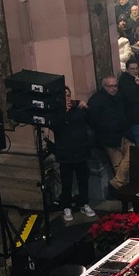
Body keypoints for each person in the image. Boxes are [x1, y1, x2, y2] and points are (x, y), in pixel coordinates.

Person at [53, 86, 97, 222]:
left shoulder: (77, 110)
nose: (66, 97)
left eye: (68, 95)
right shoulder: (56, 113)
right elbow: (55, 128)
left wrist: (84, 106)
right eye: (64, 95)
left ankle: (84, 203)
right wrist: (63, 112)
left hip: (80, 151)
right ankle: (67, 206)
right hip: (65, 154)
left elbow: (91, 120)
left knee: (83, 180)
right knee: (67, 182)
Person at [86, 75, 132, 191]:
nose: (114, 89)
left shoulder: (119, 96)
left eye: (115, 86)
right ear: (104, 87)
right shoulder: (96, 100)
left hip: (123, 134)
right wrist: (104, 128)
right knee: (118, 165)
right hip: (109, 138)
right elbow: (91, 119)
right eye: (110, 86)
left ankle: (115, 184)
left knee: (130, 157)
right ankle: (125, 191)